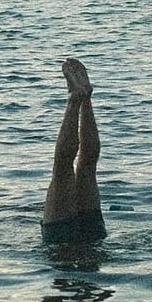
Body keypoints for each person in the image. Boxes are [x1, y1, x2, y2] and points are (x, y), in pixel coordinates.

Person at [43, 57, 106, 245]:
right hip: (84, 236)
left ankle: (79, 99)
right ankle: (81, 99)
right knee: (77, 167)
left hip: (77, 238)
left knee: (80, 168)